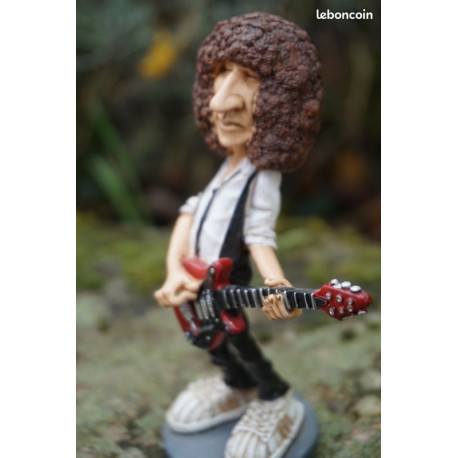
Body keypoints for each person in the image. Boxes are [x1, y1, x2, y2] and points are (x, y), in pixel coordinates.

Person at [154, 12, 322, 458]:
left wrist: (275, 281)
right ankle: (236, 385)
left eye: (249, 77)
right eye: (222, 73)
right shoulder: (228, 166)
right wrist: (174, 271)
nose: (220, 101)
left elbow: (258, 233)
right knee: (213, 343)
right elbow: (190, 212)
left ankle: (275, 395)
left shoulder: (260, 177)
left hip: (225, 287)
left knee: (239, 339)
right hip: (198, 283)